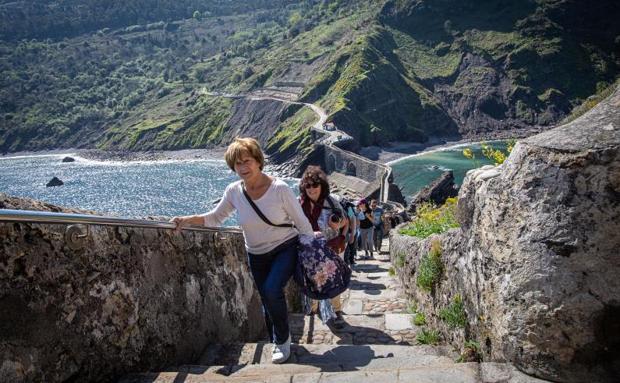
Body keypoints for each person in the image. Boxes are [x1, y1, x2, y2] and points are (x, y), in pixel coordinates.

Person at [170, 137, 314, 364]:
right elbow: (216, 218)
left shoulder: (280, 189)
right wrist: (187, 220)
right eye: (237, 164)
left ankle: (283, 341)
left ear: (258, 161)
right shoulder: (234, 191)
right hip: (256, 254)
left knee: (272, 289)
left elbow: (302, 223)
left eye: (247, 161)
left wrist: (311, 253)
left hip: (284, 248)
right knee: (267, 298)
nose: (243, 167)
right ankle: (276, 339)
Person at [299, 166, 348, 330]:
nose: (311, 189)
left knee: (332, 279)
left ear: (322, 186)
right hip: (309, 252)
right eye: (308, 186)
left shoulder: (331, 202)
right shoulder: (299, 204)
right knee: (312, 281)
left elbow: (345, 221)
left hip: (329, 248)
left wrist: (337, 224)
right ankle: (313, 309)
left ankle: (337, 312)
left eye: (315, 185)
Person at [342, 197, 357, 266]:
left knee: (348, 249)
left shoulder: (347, 206)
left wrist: (352, 235)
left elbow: (353, 219)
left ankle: (350, 260)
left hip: (346, 232)